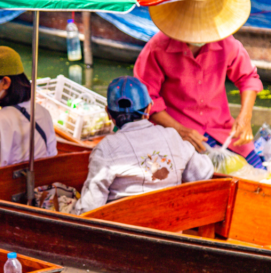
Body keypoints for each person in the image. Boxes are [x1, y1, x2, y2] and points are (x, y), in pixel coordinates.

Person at [134, 0, 265, 167]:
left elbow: (248, 78)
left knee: (256, 170)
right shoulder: (158, 48)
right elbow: (146, 98)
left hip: (222, 130)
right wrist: (179, 130)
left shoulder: (226, 42)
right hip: (175, 131)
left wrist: (245, 117)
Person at [73, 77, 214, 214]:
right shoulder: (172, 136)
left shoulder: (105, 148)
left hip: (124, 233)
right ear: (148, 109)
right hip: (171, 227)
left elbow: (90, 208)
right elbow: (202, 173)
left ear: (109, 113)